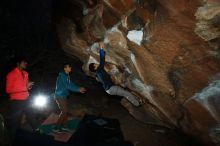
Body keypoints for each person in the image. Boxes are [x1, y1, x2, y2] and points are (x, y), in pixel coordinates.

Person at [89, 42, 142, 107]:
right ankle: (137, 104)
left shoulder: (98, 73)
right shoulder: (99, 70)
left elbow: (104, 77)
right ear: (94, 67)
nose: (96, 64)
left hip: (109, 89)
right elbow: (102, 59)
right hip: (111, 88)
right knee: (126, 93)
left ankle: (137, 100)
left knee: (125, 91)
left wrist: (111, 74)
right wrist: (101, 48)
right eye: (95, 64)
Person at [6, 57, 34, 141]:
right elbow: (8, 89)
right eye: (23, 62)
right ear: (18, 63)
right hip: (16, 102)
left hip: (27, 100)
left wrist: (29, 87)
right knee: (15, 124)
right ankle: (12, 141)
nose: (25, 63)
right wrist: (25, 87)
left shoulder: (25, 73)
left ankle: (41, 136)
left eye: (26, 62)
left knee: (32, 118)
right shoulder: (11, 74)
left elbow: (26, 86)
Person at [54, 63, 86, 132]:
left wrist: (78, 87)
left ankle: (65, 126)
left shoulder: (66, 75)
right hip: (60, 96)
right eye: (69, 67)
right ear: (65, 68)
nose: (71, 68)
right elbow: (68, 85)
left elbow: (70, 83)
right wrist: (78, 89)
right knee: (64, 111)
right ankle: (56, 128)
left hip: (63, 95)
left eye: (71, 67)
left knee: (65, 111)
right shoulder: (62, 75)